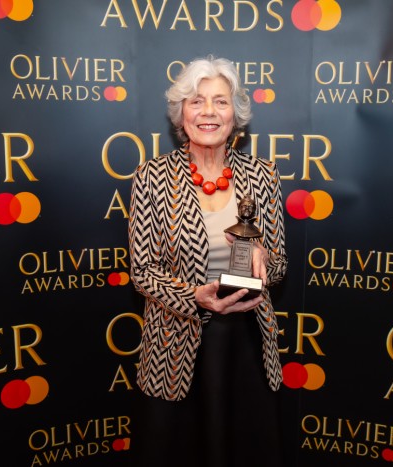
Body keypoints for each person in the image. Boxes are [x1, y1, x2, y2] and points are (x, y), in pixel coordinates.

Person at [128, 55, 288, 467]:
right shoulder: (152, 176)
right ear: (181, 113)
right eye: (196, 101)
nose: (208, 112)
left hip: (248, 342)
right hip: (175, 343)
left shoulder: (263, 175)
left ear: (236, 114)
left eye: (220, 101)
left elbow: (280, 262)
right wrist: (194, 296)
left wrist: (263, 261)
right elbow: (143, 271)